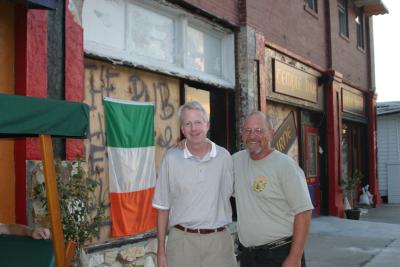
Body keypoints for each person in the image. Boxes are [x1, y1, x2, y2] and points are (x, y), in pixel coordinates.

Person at [152, 101, 236, 267]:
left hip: (218, 243)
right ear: (182, 129)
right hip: (181, 243)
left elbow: (232, 192)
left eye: (198, 122)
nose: (194, 128)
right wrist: (161, 250)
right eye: (188, 124)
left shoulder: (224, 157)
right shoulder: (171, 158)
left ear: (207, 125)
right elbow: (162, 208)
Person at [233, 111, 313, 267]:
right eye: (248, 130)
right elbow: (210, 160)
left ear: (271, 133)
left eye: (259, 130)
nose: (252, 135)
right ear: (242, 134)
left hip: (280, 255)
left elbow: (304, 212)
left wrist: (295, 257)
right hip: (248, 257)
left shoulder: (285, 166)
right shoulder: (235, 161)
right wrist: (185, 146)